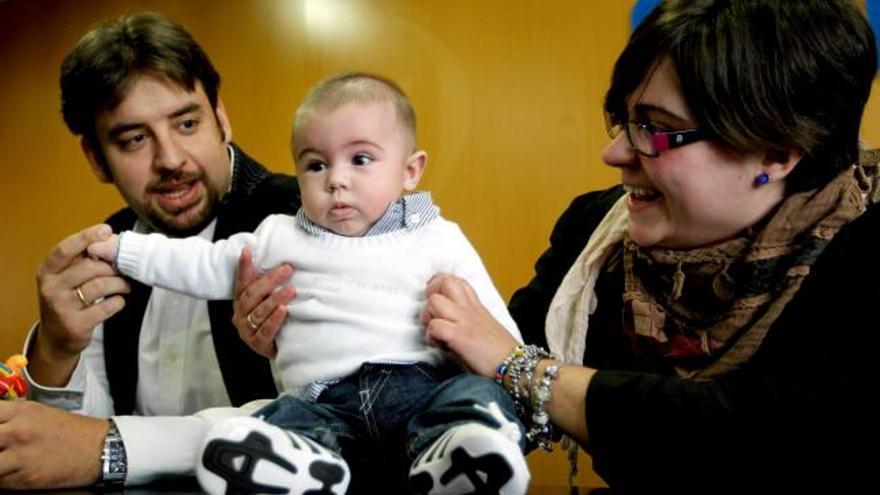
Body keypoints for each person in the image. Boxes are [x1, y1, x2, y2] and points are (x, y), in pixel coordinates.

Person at [415, 0, 879, 492]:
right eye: (623, 119)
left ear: (774, 152)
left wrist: (526, 370)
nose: (613, 153)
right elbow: (486, 362)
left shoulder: (866, 250)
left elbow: (761, 438)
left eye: (655, 128)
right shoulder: (596, 231)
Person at [88, 72, 530, 495]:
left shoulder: (435, 236)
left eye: (360, 159)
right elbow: (200, 262)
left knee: (475, 393)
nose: (336, 179)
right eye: (316, 165)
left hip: (420, 391)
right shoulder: (279, 237)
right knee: (280, 416)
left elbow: (490, 327)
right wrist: (122, 249)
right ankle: (299, 466)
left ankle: (463, 451)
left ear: (410, 171)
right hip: (324, 402)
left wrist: (502, 364)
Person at [0, 12, 299, 488]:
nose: (171, 160)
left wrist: (112, 448)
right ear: (96, 158)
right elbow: (69, 443)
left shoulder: (305, 222)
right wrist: (56, 352)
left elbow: (335, 419)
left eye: (186, 123)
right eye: (135, 138)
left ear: (220, 117)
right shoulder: (104, 251)